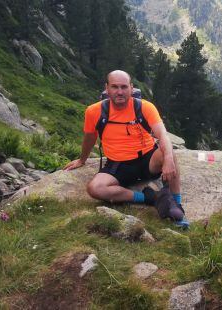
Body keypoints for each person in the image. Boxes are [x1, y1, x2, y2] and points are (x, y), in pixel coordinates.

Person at [64, 70, 185, 223]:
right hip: (117, 164)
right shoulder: (94, 112)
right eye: (115, 87)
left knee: (169, 154)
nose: (119, 92)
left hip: (147, 158)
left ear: (131, 88)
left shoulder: (144, 107)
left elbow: (162, 135)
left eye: (124, 87)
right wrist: (82, 160)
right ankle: (150, 198)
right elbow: (90, 137)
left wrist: (167, 159)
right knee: (95, 189)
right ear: (107, 88)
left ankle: (176, 203)